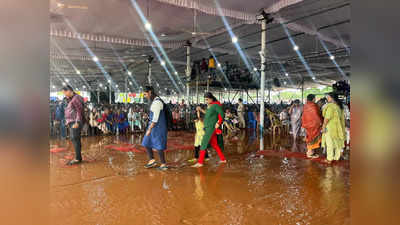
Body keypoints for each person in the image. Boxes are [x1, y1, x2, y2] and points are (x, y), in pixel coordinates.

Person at [192, 92, 226, 168]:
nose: (206, 101)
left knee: (203, 143)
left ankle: (200, 162)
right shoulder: (211, 106)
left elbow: (222, 114)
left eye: (207, 99)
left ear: (211, 98)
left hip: (211, 128)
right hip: (208, 128)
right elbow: (207, 113)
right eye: (205, 100)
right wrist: (200, 110)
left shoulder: (216, 105)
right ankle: (223, 159)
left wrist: (219, 123)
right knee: (214, 144)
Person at [142, 86, 168, 171]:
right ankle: (152, 160)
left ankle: (163, 164)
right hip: (153, 125)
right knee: (146, 142)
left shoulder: (157, 102)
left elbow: (156, 118)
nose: (145, 96)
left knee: (159, 145)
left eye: (145, 94)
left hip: (158, 127)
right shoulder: (154, 101)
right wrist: (148, 117)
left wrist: (149, 129)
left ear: (149, 92)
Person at [62, 85, 85, 165]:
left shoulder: (76, 98)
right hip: (72, 121)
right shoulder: (72, 99)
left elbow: (80, 111)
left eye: (65, 93)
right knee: (74, 138)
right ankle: (78, 157)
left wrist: (77, 122)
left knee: (75, 138)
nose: (65, 95)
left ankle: (78, 158)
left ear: (69, 90)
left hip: (75, 122)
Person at [321, 93, 346, 164]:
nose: (327, 99)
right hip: (337, 128)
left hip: (330, 127)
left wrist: (323, 126)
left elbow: (327, 118)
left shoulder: (331, 107)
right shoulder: (338, 107)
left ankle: (329, 159)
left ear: (332, 98)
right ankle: (336, 157)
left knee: (329, 143)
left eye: (328, 97)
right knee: (337, 142)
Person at [302, 94, 323, 159]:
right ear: (313, 99)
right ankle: (309, 153)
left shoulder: (305, 105)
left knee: (310, 138)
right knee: (312, 139)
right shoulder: (313, 105)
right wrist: (320, 122)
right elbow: (316, 115)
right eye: (315, 98)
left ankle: (311, 152)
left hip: (307, 124)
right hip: (313, 125)